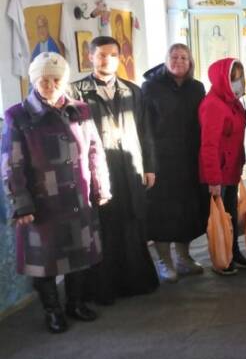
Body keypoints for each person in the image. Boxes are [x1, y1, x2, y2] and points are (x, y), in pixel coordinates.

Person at [2, 53, 111, 333]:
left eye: (56, 80)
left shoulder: (80, 110)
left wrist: (101, 186)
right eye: (44, 80)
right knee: (45, 262)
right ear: (33, 81)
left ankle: (75, 303)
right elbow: (12, 164)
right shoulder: (18, 116)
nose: (50, 85)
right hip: (42, 202)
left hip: (78, 198)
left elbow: (95, 151)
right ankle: (53, 311)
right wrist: (21, 204)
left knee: (79, 255)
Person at [69, 36, 159, 304]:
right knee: (103, 225)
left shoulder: (133, 90)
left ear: (120, 58)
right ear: (90, 57)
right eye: (100, 55)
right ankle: (104, 288)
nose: (106, 60)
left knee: (131, 221)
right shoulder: (76, 92)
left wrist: (150, 167)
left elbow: (145, 131)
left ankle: (134, 282)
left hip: (130, 165)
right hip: (98, 168)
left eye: (112, 55)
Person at [141, 43, 207, 282]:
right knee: (162, 213)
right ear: (166, 60)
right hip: (161, 162)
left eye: (183, 57)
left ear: (190, 62)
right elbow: (144, 127)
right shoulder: (150, 87)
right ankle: (164, 261)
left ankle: (183, 258)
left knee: (187, 211)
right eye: (174, 57)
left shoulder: (197, 88)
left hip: (189, 160)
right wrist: (148, 164)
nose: (179, 61)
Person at [198, 57, 246, 276]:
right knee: (219, 220)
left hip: (231, 169)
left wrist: (241, 161)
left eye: (240, 78)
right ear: (222, 79)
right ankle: (221, 258)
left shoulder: (233, 102)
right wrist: (214, 180)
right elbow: (209, 145)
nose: (238, 82)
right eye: (233, 78)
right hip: (218, 172)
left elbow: (236, 138)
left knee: (231, 214)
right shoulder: (213, 104)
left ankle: (233, 251)